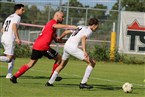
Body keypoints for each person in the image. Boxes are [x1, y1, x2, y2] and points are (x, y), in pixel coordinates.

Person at [10, 11, 77, 83]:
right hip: (43, 46)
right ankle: (53, 77)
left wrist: (68, 40)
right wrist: (71, 27)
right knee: (59, 58)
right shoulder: (52, 22)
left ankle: (14, 77)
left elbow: (57, 40)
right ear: (57, 16)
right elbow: (57, 26)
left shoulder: (52, 26)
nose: (63, 18)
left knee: (30, 64)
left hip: (37, 45)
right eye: (62, 17)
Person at [45, 18, 99, 89]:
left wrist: (60, 38)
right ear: (94, 25)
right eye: (97, 26)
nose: (98, 27)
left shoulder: (80, 26)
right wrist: (84, 50)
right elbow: (83, 38)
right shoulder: (89, 30)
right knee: (92, 63)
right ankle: (83, 83)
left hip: (66, 46)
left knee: (62, 65)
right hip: (73, 48)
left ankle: (49, 82)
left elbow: (66, 32)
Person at [0, 4, 25, 78]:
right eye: (22, 9)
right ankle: (9, 74)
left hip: (4, 37)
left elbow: (2, 29)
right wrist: (17, 38)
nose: (23, 11)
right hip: (9, 39)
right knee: (9, 58)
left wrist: (6, 35)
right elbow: (14, 26)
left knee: (13, 56)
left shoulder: (9, 17)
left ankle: (9, 74)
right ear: (17, 10)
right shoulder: (17, 17)